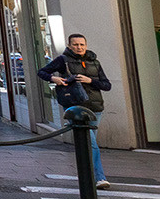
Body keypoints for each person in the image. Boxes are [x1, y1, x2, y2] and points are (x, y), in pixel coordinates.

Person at [40, 32, 112, 187]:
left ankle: (87, 175)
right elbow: (42, 72)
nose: (79, 47)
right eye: (75, 45)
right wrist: (54, 78)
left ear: (86, 45)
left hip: (95, 107)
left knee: (88, 144)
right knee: (91, 144)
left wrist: (90, 80)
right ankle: (99, 178)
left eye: (82, 45)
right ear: (69, 46)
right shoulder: (63, 60)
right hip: (75, 107)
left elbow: (107, 85)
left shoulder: (95, 62)